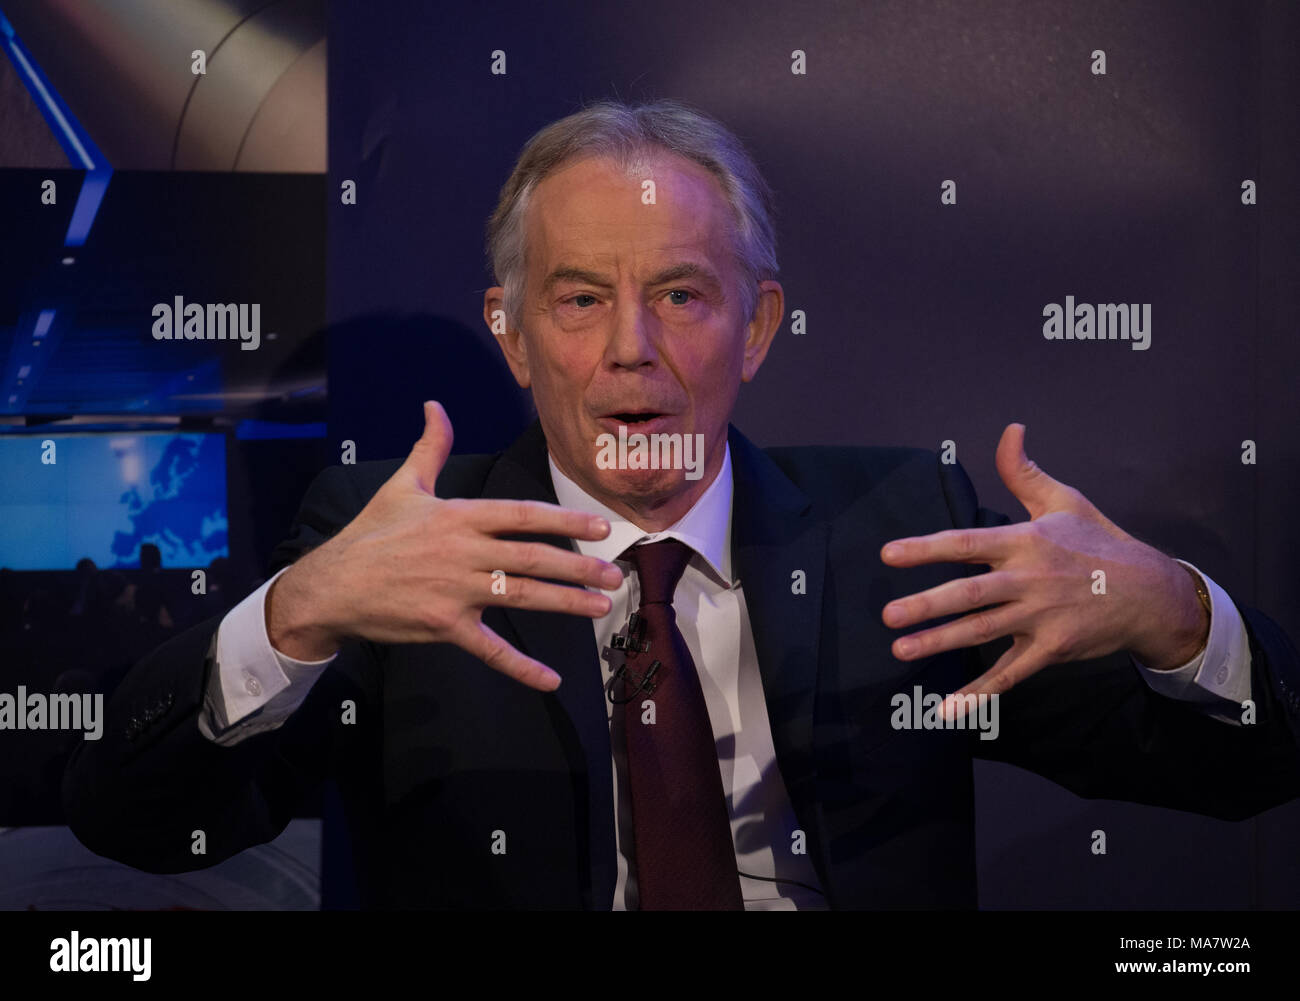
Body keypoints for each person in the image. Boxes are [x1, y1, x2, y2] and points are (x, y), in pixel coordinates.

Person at [62, 100, 1300, 909]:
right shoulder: (400, 548)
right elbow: (134, 820)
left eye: (683, 296)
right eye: (578, 298)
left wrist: (1176, 615)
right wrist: (296, 613)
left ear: (757, 326)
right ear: (511, 334)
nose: (630, 351)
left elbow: (1249, 773)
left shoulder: (893, 530)